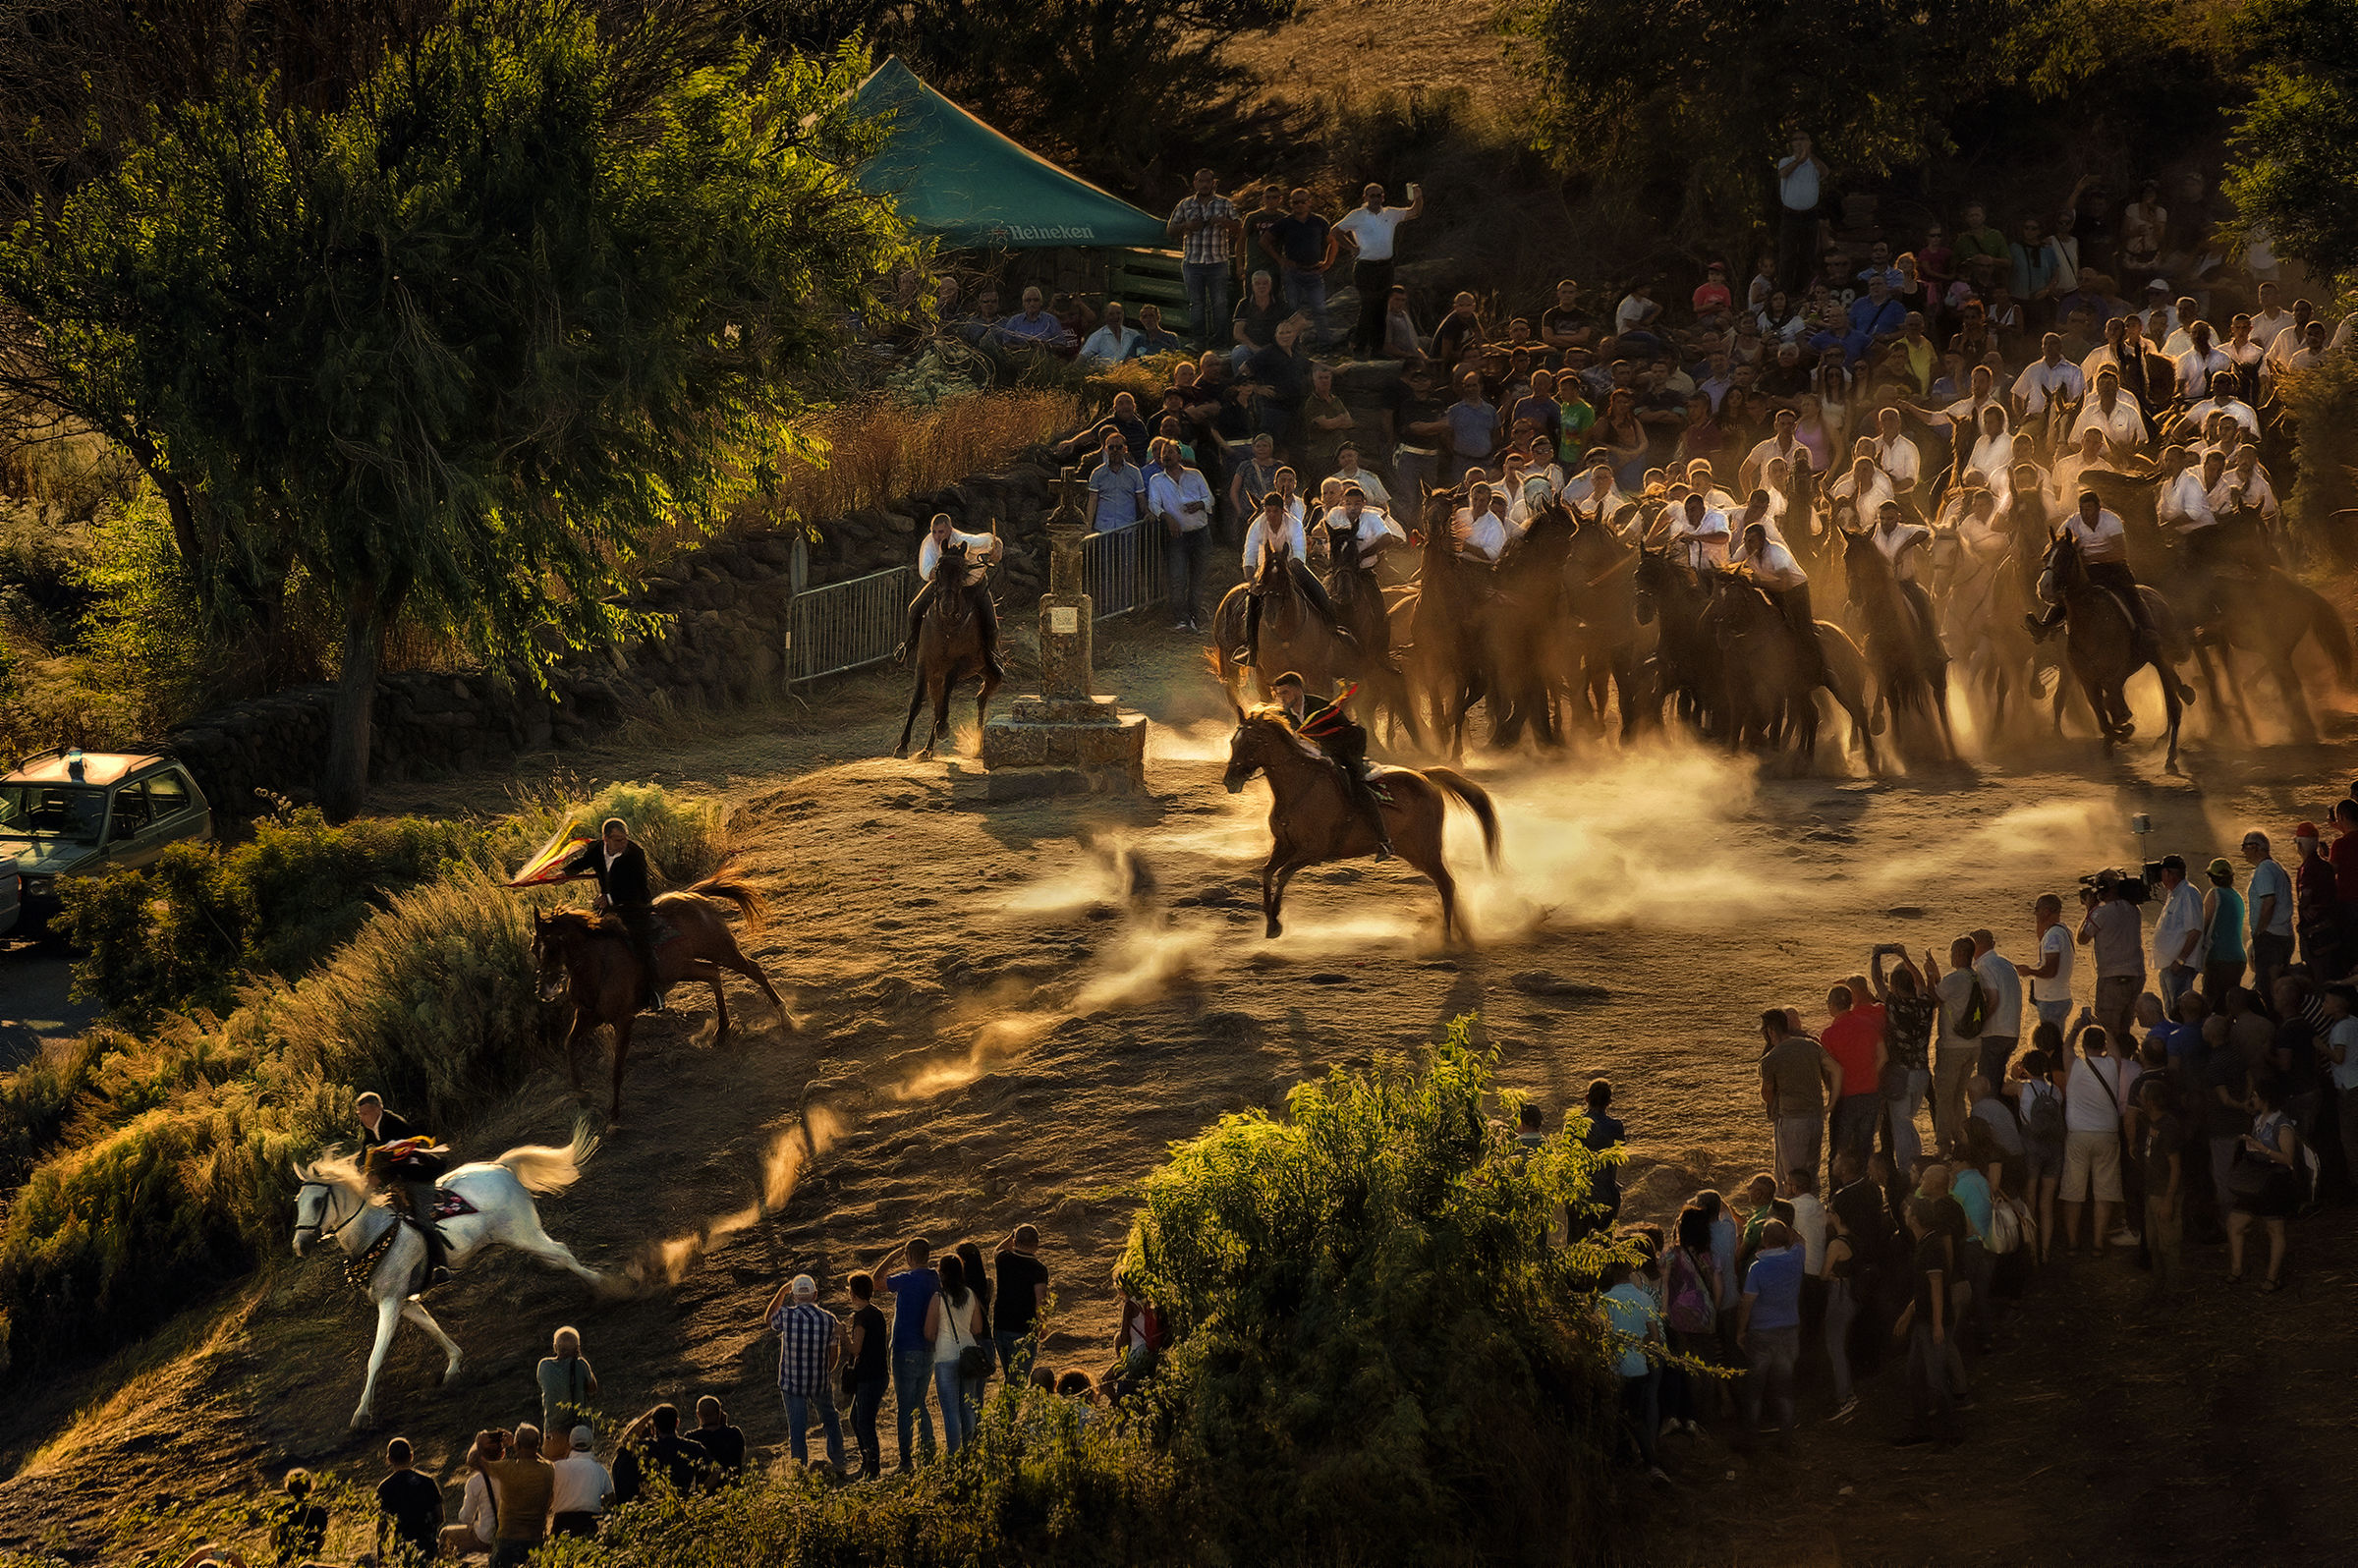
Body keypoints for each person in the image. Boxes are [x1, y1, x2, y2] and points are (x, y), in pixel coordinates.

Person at [1268, 670, 1394, 861]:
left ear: (1297, 691)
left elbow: (1342, 732)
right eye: (1278, 694)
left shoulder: (1320, 706)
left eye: (1284, 692)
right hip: (1314, 756)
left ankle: (1384, 841)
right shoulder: (1284, 714)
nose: (1280, 698)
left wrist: (1326, 755)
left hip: (1345, 750)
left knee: (1356, 786)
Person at [899, 512, 1007, 683]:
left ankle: (993, 656)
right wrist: (946, 571)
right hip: (943, 584)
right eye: (934, 531)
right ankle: (909, 645)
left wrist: (998, 547)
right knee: (914, 608)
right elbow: (926, 571)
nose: (936, 536)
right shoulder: (928, 544)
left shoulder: (964, 539)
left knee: (991, 622)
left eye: (941, 532)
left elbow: (989, 540)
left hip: (973, 583)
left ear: (950, 529)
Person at [354, 1092, 448, 1285]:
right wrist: (359, 1167)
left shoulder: (396, 1125)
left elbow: (402, 1160)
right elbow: (367, 1148)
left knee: (422, 1218)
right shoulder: (371, 1126)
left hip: (418, 1175)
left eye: (366, 1113)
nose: (362, 1118)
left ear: (378, 1109)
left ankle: (441, 1266)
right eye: (360, 1114)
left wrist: (378, 1178)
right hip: (398, 1177)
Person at [2060, 1015, 2132, 1258]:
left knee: (2073, 1192)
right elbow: (2115, 1048)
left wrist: (2077, 1027)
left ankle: (2072, 1243)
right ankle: (2098, 1244)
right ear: (2103, 1046)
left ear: (2084, 1046)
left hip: (2078, 1133)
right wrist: (2104, 1024)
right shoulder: (2113, 1064)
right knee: (2104, 1192)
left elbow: (2066, 1046)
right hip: (2107, 1133)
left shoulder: (2074, 1064)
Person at [1334, 181, 1423, 357]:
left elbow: (1414, 212)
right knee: (1368, 305)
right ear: (1365, 197)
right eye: (1371, 195)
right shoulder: (1357, 215)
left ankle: (1377, 348)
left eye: (1378, 195)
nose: (1375, 198)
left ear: (1383, 197)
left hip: (1385, 266)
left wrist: (1418, 197)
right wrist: (1352, 247)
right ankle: (1359, 347)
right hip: (1365, 267)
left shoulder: (1390, 213)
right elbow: (1335, 231)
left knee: (1382, 307)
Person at [1736, 1219, 1805, 1443]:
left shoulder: (1758, 1268)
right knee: (1784, 1386)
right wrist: (1787, 1231)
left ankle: (1749, 1437)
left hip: (1762, 1332)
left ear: (1764, 1240)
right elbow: (1800, 1239)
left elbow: (1747, 1303)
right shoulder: (1796, 1257)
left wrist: (1740, 1331)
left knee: (1755, 1388)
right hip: (1789, 1329)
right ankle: (1787, 1435)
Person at [2226, 1082, 2301, 1290]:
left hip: (2274, 1183)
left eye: (2256, 1096)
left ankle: (2272, 1277)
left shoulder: (2282, 1125)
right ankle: (2237, 1269)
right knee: (2235, 1223)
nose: (2252, 1100)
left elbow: (2288, 1159)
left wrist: (2262, 1149)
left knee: (2274, 1229)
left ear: (2266, 1099)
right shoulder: (2258, 1120)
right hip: (2255, 1181)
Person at [1600, 1258, 1667, 1482]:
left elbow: (1599, 1336)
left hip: (1613, 1368)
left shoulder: (1605, 1300)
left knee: (1616, 1417)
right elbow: (1655, 1338)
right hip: (1639, 1368)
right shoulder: (1644, 1298)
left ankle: (1625, 1461)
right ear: (1630, 1272)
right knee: (1635, 1417)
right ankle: (1651, 1464)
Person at [879, 1238, 940, 1471]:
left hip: (905, 1348)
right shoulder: (935, 1278)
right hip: (928, 1349)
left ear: (909, 1257)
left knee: (905, 1407)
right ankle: (929, 1453)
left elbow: (875, 1281)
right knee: (919, 1402)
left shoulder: (906, 1279)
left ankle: (906, 1461)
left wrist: (893, 1256)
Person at [1759, 1008, 1835, 1187]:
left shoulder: (1772, 1057)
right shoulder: (1811, 1045)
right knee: (1811, 1171)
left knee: (1790, 1175)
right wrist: (1831, 1101)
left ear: (1770, 1030)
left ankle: (1790, 1210)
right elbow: (1834, 1070)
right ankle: (1812, 1206)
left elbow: (1767, 1092)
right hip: (1816, 1117)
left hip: (1791, 1119)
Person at [1147, 437, 1216, 633]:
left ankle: (1195, 618)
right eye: (1163, 453)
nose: (1166, 455)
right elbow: (1154, 504)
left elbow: (1209, 497)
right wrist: (1167, 517)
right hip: (1176, 537)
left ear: (1179, 455)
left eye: (1170, 452)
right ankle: (1182, 619)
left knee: (1198, 578)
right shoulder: (1156, 481)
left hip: (1200, 533)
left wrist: (1201, 504)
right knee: (1177, 578)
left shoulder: (1195, 475)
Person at [1167, 170, 1241, 353]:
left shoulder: (1225, 204)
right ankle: (1198, 342)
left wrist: (1223, 221)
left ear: (1214, 183)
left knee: (1220, 303)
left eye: (1208, 181)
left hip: (1218, 262)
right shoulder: (1185, 204)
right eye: (1201, 181)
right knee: (1196, 304)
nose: (1204, 185)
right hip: (1193, 262)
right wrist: (1187, 226)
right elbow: (1170, 230)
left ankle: (1220, 343)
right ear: (1195, 183)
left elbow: (1240, 229)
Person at [1926, 936, 1987, 1153]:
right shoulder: (1975, 977)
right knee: (1958, 1096)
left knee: (1943, 1097)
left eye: (1953, 951)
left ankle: (1943, 1144)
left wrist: (1929, 977)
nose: (1950, 955)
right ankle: (1962, 1138)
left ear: (1961, 953)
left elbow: (1935, 999)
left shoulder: (1955, 979)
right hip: (1973, 1045)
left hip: (1952, 1046)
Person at [1819, 984, 1885, 1174]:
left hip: (1845, 1097)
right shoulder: (1867, 1026)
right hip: (1871, 1093)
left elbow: (1830, 1071)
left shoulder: (1829, 1035)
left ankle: (1838, 1190)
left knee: (1840, 1149)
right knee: (1865, 1146)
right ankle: (1864, 1184)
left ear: (1831, 1005)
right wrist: (1871, 1073)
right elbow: (1883, 1056)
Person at [926, 1252, 988, 1454]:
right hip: (968, 1354)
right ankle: (969, 1451)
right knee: (968, 1406)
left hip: (945, 1356)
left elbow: (929, 1332)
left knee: (950, 1411)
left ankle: (954, 1454)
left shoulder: (938, 1298)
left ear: (941, 1273)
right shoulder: (970, 1294)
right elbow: (978, 1328)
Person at [2078, 869, 2147, 1045]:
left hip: (2112, 978)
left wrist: (2090, 909)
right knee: (2125, 1028)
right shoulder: (2134, 910)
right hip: (2136, 975)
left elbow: (2082, 938)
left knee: (2107, 1031)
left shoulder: (2101, 913)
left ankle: (2110, 1067)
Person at [2135, 1078, 2186, 1303]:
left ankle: (2173, 1292)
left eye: (2143, 1096)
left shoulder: (2169, 1128)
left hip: (2164, 1195)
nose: (2139, 1099)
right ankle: (2159, 1285)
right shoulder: (2151, 1122)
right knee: (2154, 1243)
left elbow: (2176, 1168)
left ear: (2152, 1102)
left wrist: (2168, 1201)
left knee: (2169, 1245)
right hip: (2152, 1193)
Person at [1268, 187, 1336, 343]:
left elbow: (1333, 241)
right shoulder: (1285, 223)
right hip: (1293, 273)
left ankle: (1325, 342)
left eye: (1303, 202)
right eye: (1295, 202)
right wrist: (1280, 259)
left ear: (1309, 202)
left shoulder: (1319, 221)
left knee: (1319, 309)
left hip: (1314, 272)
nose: (1299, 205)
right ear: (1291, 204)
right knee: (1292, 310)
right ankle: (1293, 344)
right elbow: (1265, 241)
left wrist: (1328, 263)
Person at [480, 1425, 554, 1568]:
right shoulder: (548, 1469)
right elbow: (535, 1455)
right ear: (538, 1445)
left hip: (507, 1541)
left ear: (517, 1444)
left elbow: (473, 1461)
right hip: (535, 1542)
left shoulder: (507, 1469)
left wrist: (478, 1442)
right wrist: (522, 1445)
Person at [844, 1271, 890, 1480]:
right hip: (878, 1374)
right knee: (856, 1418)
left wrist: (841, 1334)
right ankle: (868, 1464)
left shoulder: (862, 1317)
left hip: (869, 1377)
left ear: (854, 1293)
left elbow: (855, 1349)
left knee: (863, 1421)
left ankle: (872, 1467)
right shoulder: (876, 1312)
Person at [992, 1224, 1052, 1380]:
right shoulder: (1038, 1269)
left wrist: (1012, 1235)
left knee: (1010, 1376)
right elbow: (1040, 1299)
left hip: (1001, 1325)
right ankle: (1009, 1405)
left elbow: (996, 1250)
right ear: (1037, 1244)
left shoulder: (1003, 1259)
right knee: (1018, 1380)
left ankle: (1006, 1404)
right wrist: (1043, 1325)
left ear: (1015, 1241)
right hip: (1023, 1329)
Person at [2150, 855, 2205, 1015]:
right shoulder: (2174, 893)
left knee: (2179, 1011)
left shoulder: (2188, 893)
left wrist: (2180, 960)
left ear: (2168, 873)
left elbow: (2195, 930)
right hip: (2169, 965)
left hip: (2179, 966)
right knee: (2171, 1009)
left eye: (2162, 873)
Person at [1970, 927, 2025, 1090]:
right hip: (2011, 1031)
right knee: (1997, 1080)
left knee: (1986, 1083)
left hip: (1994, 1032)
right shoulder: (2005, 963)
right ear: (1992, 944)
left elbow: (1993, 999)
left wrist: (1978, 1024)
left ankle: (1989, 1113)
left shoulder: (1983, 966)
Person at [376, 1437, 445, 1564]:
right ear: (411, 1456)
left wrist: (381, 1556)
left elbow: (382, 1527)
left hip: (402, 1551)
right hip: (429, 1549)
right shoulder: (428, 1482)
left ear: (389, 1459)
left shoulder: (384, 1487)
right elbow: (440, 1517)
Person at [1774, 133, 1826, 294]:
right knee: (1788, 255)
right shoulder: (1786, 162)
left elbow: (1824, 172)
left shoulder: (1814, 164)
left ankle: (1802, 291)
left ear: (1809, 142)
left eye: (1803, 139)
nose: (1799, 142)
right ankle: (1784, 292)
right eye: (1795, 139)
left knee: (1808, 255)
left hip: (1809, 215)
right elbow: (1783, 173)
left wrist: (1809, 156)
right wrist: (1799, 160)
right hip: (1790, 215)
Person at [2018, 893, 2076, 1033]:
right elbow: (2041, 938)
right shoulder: (2063, 931)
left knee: (2050, 1045)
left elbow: (2050, 970)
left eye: (2037, 909)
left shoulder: (2053, 935)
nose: (2035, 913)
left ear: (2046, 911)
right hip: (2059, 997)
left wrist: (2030, 971)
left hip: (2051, 999)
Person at [441, 1429, 502, 1559]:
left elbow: (466, 1518)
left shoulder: (475, 1481)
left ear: (480, 1456)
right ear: (502, 1454)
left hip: (486, 1538)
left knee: (445, 1534)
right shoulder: (511, 1474)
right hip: (508, 1535)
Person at [547, 1425, 612, 1540]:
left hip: (561, 1524)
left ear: (570, 1444)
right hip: (589, 1524)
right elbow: (611, 1500)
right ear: (591, 1443)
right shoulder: (600, 1470)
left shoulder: (557, 1467)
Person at [1580, 1079, 1626, 1234]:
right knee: (1607, 1243)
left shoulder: (1574, 1126)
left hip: (1580, 1193)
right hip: (1608, 1192)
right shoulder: (1616, 1127)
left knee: (1577, 1244)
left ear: (1587, 1098)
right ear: (1609, 1102)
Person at [535, 1326, 599, 1439]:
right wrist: (581, 1360)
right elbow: (593, 1388)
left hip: (553, 1431)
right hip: (580, 1430)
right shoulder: (581, 1364)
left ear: (555, 1347)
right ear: (577, 1348)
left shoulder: (544, 1365)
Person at [2200, 857, 2249, 1002]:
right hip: (2238, 958)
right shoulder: (2237, 897)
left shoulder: (2214, 894)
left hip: (2219, 958)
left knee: (2212, 1004)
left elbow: (2203, 925)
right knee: (2229, 1005)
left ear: (2211, 877)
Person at [1084, 432, 1148, 533]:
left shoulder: (1135, 472)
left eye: (1119, 447)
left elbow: (1141, 498)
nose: (1115, 450)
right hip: (1103, 530)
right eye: (1111, 447)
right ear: (1105, 449)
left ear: (1125, 449)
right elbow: (1092, 500)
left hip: (1128, 529)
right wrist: (1088, 527)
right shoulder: (1097, 473)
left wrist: (1148, 513)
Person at [271, 1469, 328, 1565]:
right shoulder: (319, 1511)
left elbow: (274, 1540)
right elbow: (320, 1541)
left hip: (284, 1562)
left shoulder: (281, 1511)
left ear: (288, 1487)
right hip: (310, 1562)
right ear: (310, 1486)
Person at [691, 1395, 746, 1477]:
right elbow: (741, 1456)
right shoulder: (734, 1433)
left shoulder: (692, 1437)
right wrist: (724, 1426)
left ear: (698, 1414)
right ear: (720, 1412)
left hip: (705, 1488)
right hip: (733, 1485)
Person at [1077, 301, 1143, 366]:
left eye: (1118, 313)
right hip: (1107, 374)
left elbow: (1143, 353)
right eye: (1111, 314)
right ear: (1105, 316)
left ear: (1123, 314)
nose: (1115, 317)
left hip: (1130, 373)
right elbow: (1082, 357)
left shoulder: (1133, 334)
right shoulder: (1097, 336)